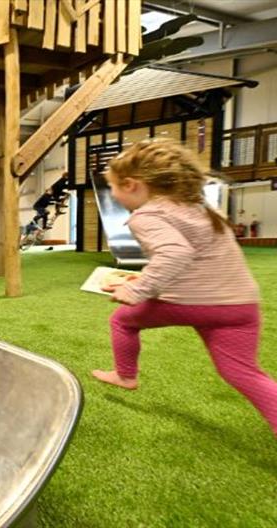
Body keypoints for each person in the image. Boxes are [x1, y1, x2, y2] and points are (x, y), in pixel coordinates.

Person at [91, 139, 277, 436]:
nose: (112, 193)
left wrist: (136, 291)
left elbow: (175, 254)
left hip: (191, 303)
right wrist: (144, 279)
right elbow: (193, 259)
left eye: (113, 186)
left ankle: (126, 376)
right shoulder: (198, 207)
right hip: (240, 305)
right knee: (244, 373)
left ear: (131, 185)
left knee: (122, 321)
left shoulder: (147, 215)